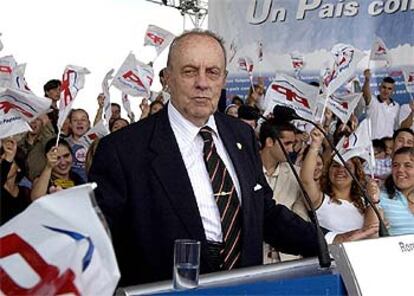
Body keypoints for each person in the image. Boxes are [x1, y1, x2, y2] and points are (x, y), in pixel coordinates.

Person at [89, 30, 376, 286]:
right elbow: (101, 246)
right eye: (190, 71)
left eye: (212, 72)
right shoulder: (122, 150)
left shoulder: (240, 134)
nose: (202, 83)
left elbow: (264, 212)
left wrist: (329, 241)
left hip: (244, 286)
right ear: (168, 79)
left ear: (224, 79)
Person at [301, 127, 375, 233]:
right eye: (335, 165)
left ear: (356, 173)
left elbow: (372, 233)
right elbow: (306, 181)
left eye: (347, 167)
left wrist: (374, 201)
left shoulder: (364, 203)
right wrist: (315, 145)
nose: (341, 170)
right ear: (328, 170)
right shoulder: (320, 200)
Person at [367, 147, 414, 235]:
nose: (400, 170)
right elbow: (371, 237)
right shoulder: (380, 197)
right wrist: (374, 201)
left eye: (408, 165)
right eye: (395, 165)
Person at [1, 137, 31, 225]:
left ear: (19, 167)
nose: (3, 165)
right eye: (2, 161)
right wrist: (8, 160)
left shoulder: (25, 191)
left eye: (10, 162)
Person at [362, 70, 399, 139]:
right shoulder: (373, 101)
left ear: (393, 91)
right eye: (384, 87)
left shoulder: (396, 106)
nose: (386, 91)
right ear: (379, 88)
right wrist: (367, 80)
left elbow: (396, 127)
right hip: (373, 143)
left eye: (389, 89)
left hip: (388, 145)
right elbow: (365, 94)